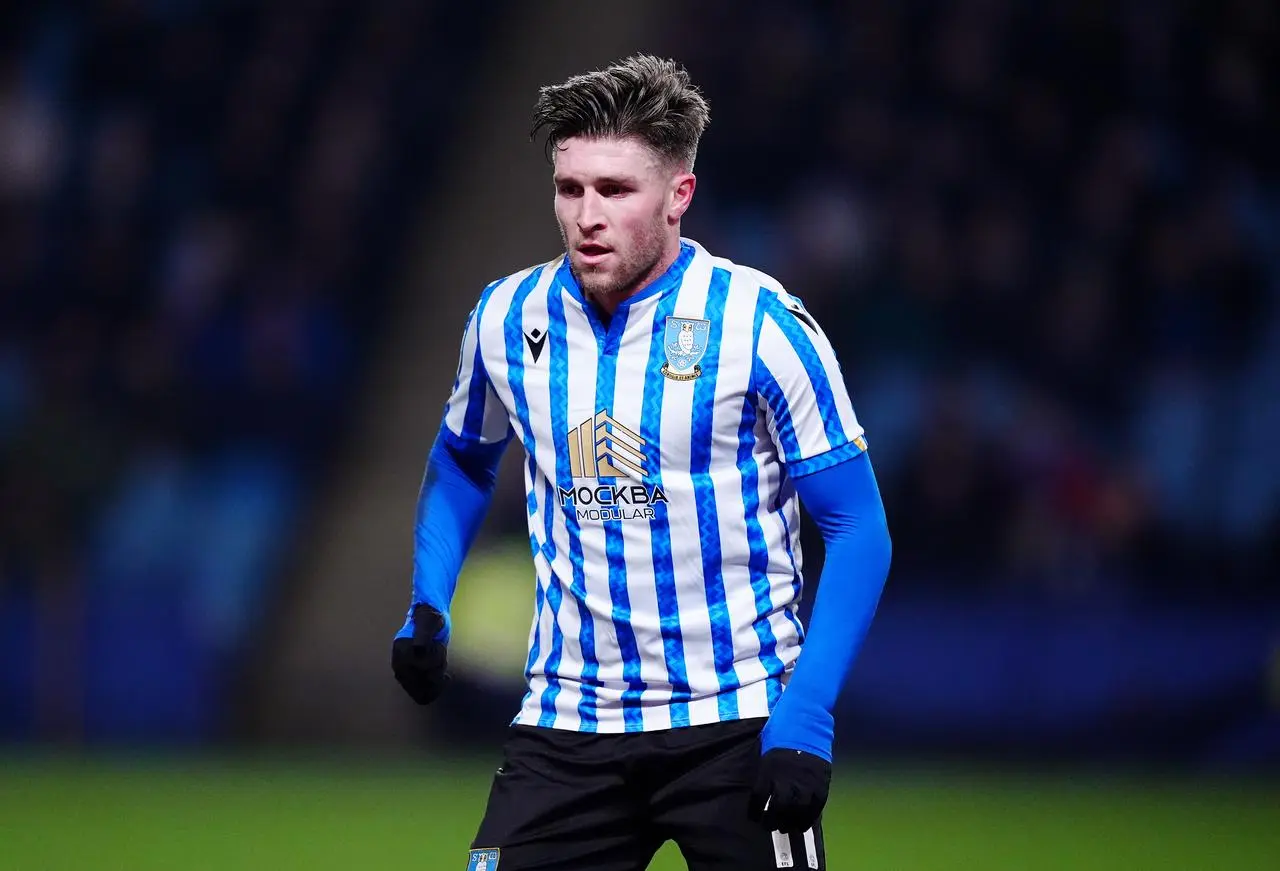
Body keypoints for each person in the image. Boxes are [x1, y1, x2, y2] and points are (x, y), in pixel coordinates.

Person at [391, 54, 892, 871]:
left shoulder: (762, 324)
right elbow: (462, 462)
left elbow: (858, 525)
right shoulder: (506, 316)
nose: (587, 215)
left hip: (740, 722)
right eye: (570, 188)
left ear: (678, 197)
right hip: (568, 724)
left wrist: (807, 715)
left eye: (615, 190)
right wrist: (428, 601)